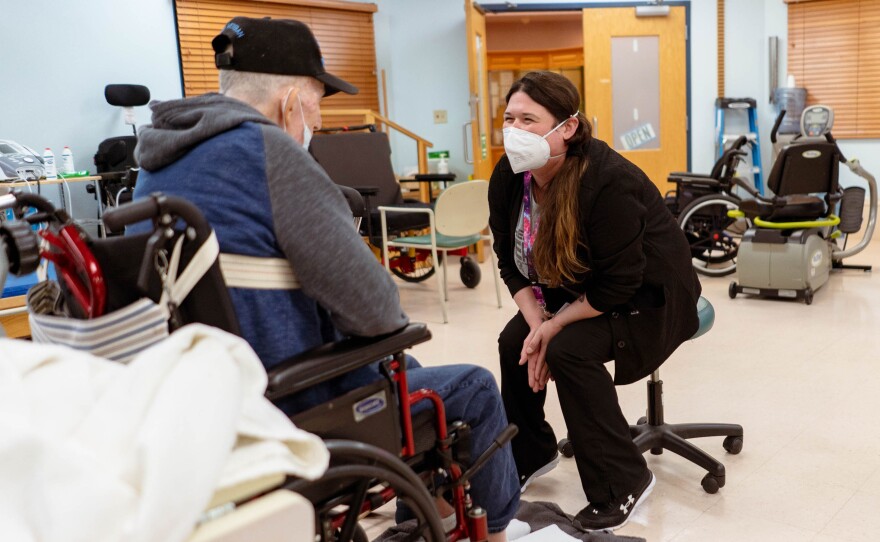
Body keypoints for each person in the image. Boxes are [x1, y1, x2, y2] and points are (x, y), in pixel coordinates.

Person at [129, 17, 519, 541]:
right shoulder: (270, 152)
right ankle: (490, 532)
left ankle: (420, 520)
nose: (317, 116)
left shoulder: (157, 161)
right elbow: (378, 309)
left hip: (208, 394)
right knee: (473, 387)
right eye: (317, 102)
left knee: (410, 366)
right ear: (291, 101)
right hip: (294, 397)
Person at [488, 71, 702, 532]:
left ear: (567, 126)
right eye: (509, 118)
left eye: (529, 119)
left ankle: (624, 480)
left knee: (568, 350)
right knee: (513, 342)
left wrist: (552, 328)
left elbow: (618, 286)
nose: (514, 130)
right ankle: (531, 453)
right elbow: (508, 259)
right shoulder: (510, 176)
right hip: (571, 288)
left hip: (648, 296)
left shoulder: (606, 181)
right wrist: (534, 324)